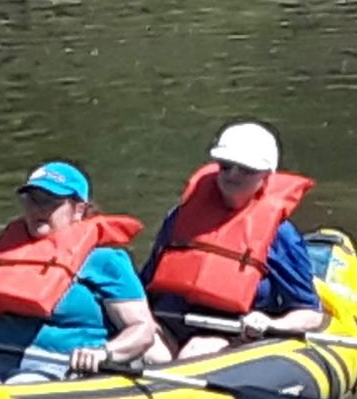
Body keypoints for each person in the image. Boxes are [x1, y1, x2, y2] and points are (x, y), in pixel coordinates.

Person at [0, 161, 171, 382]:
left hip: (55, 366)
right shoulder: (9, 251)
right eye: (32, 199)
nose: (38, 208)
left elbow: (141, 330)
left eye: (50, 201)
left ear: (78, 209)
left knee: (18, 387)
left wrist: (105, 353)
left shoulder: (105, 260)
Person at [139, 123, 325, 360]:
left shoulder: (281, 235)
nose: (232, 175)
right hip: (171, 322)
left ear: (267, 176)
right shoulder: (180, 217)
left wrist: (271, 323)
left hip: (232, 332)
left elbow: (309, 313)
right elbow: (146, 285)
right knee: (151, 352)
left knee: (195, 352)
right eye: (225, 166)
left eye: (246, 169)